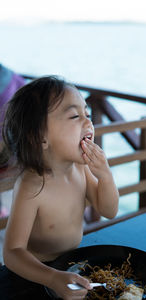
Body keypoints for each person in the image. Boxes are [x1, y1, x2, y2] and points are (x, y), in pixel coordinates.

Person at [0, 76, 119, 300]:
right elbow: (12, 253)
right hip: (33, 274)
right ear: (40, 137)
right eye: (75, 116)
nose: (88, 122)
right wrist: (52, 277)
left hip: (73, 265)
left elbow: (109, 210)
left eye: (87, 114)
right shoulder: (32, 184)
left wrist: (105, 175)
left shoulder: (80, 170)